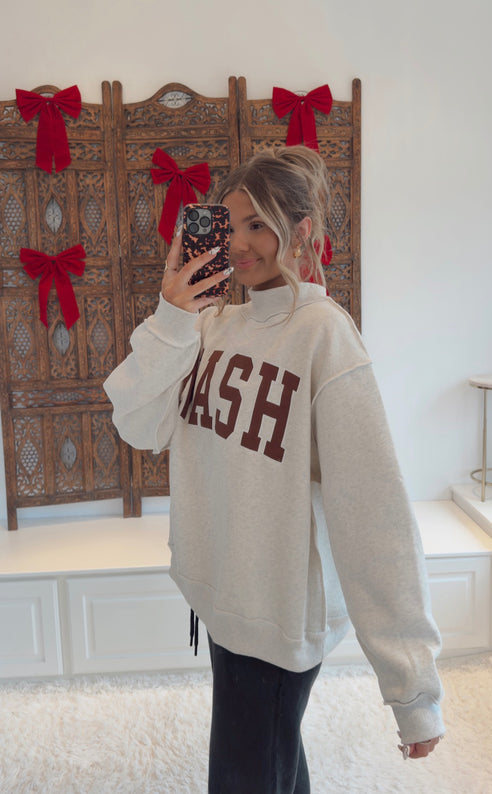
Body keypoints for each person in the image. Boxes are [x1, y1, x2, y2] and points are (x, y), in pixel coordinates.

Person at [104, 145, 445, 793]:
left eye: (258, 224)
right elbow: (137, 425)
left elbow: (373, 514)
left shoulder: (323, 336)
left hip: (276, 613)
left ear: (301, 230)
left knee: (249, 769)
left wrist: (412, 689)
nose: (238, 244)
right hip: (224, 598)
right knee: (270, 758)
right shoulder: (209, 325)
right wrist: (173, 315)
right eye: (229, 225)